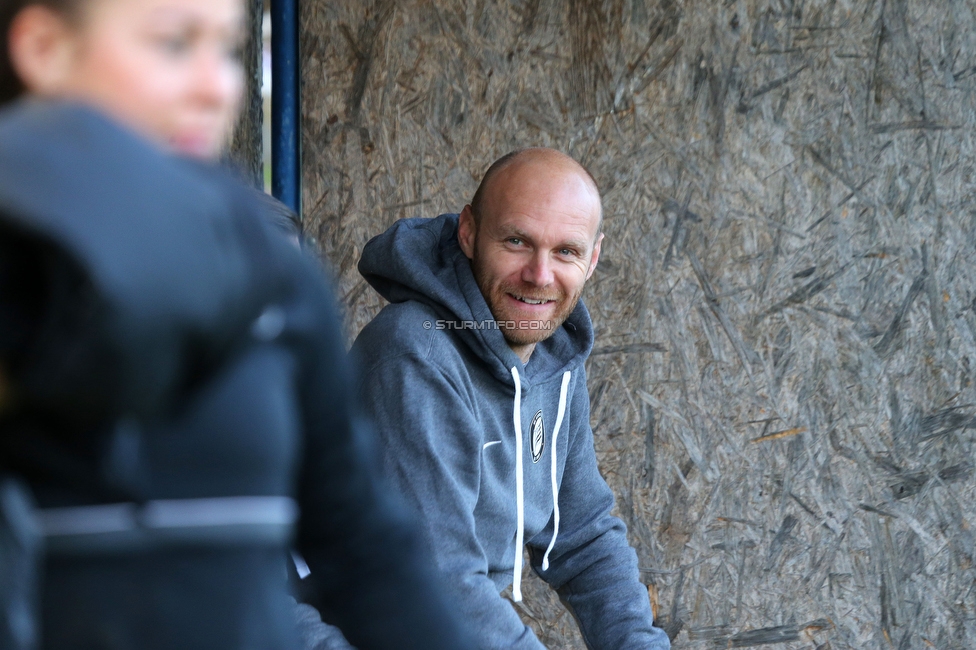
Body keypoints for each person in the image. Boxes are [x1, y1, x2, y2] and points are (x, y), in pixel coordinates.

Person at [0, 0, 472, 648]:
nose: (217, 86)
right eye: (172, 44)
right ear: (44, 48)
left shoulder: (270, 272)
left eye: (226, 51)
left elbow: (360, 541)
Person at [353, 148, 672, 649]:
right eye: (517, 241)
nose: (540, 274)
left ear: (593, 258)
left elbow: (583, 535)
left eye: (566, 251)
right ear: (469, 233)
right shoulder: (416, 353)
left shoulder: (552, 357)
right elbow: (437, 585)